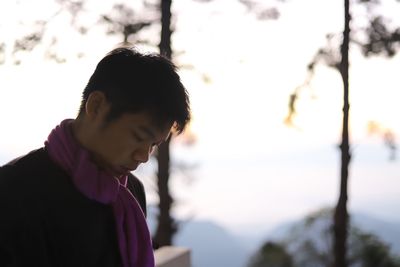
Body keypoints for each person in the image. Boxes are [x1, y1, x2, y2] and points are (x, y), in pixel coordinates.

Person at [0, 46, 191, 267]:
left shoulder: (130, 194)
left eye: (153, 145)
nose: (144, 156)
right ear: (97, 106)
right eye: (139, 136)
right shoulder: (14, 192)